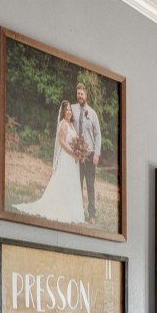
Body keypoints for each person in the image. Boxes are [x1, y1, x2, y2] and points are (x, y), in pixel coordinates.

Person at [16, 98, 86, 224]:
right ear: (63, 112)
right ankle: (62, 209)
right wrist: (73, 153)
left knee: (72, 183)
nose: (69, 112)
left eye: (70, 109)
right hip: (67, 158)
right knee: (63, 182)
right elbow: (62, 142)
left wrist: (79, 152)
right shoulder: (63, 124)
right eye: (67, 110)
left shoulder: (71, 125)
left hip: (73, 161)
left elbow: (74, 142)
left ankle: (73, 211)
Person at [71, 81, 102, 223]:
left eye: (82, 94)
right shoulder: (72, 109)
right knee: (76, 184)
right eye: (78, 94)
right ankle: (77, 212)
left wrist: (96, 153)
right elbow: (68, 126)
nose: (80, 96)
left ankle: (91, 214)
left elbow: (97, 135)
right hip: (77, 154)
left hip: (89, 155)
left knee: (90, 185)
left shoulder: (93, 113)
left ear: (86, 95)